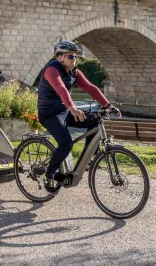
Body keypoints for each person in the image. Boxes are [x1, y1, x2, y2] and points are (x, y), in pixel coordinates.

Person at [37, 40, 118, 194]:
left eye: (75, 56)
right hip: (49, 113)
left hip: (64, 111)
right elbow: (61, 89)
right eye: (71, 56)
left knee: (94, 121)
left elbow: (90, 88)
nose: (74, 59)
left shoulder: (74, 72)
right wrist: (73, 108)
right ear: (60, 57)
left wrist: (108, 106)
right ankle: (48, 175)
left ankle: (88, 158)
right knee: (66, 143)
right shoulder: (51, 70)